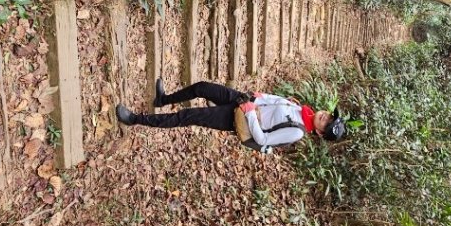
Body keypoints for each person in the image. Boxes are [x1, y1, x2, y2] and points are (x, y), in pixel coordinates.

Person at [115, 79, 345, 153]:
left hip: (238, 118)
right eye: (328, 115)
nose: (324, 116)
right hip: (244, 101)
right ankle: (163, 100)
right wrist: (255, 98)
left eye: (326, 122)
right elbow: (273, 100)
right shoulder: (302, 110)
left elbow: (263, 139)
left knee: (186, 116)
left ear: (319, 132)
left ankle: (135, 119)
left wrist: (250, 114)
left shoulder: (297, 131)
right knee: (202, 87)